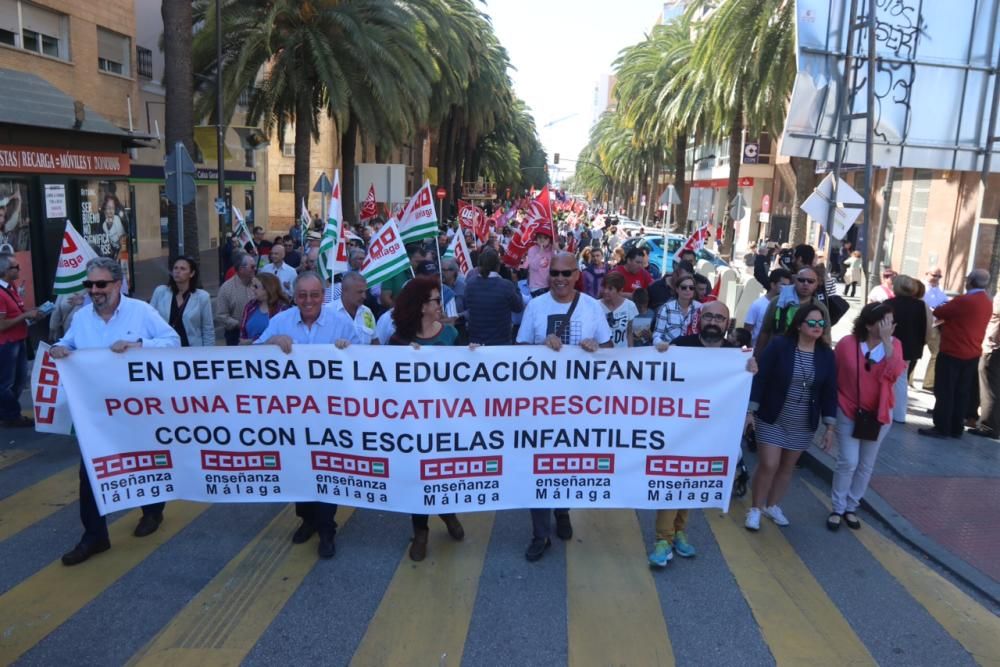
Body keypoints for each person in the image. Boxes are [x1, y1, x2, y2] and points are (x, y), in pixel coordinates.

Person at [50, 257, 181, 565]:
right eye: (89, 285)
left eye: (101, 284)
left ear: (118, 284)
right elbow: (65, 343)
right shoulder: (82, 318)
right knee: (91, 472)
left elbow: (172, 342)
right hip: (96, 415)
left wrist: (139, 346)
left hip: (137, 410)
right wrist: (59, 349)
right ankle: (94, 536)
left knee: (144, 462)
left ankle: (152, 511)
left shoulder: (141, 312)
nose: (94, 290)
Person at [516, 252, 612, 561]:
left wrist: (595, 349)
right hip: (539, 405)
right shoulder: (535, 306)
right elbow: (518, 351)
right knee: (538, 466)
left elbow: (609, 349)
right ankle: (540, 534)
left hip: (580, 405)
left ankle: (563, 510)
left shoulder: (592, 307)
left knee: (568, 463)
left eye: (565, 273)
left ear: (576, 274)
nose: (559, 278)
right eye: (554, 273)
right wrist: (541, 346)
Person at [256, 272, 358, 558]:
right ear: (294, 295)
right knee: (299, 470)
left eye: (314, 295)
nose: (308, 301)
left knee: (326, 470)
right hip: (292, 415)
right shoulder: (281, 321)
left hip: (330, 415)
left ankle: (327, 530)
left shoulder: (340, 322)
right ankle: (307, 519)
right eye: (302, 295)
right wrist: (272, 341)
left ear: (323, 296)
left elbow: (363, 359)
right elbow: (251, 357)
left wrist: (347, 350)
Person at [648, 301, 758, 566]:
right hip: (677, 429)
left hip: (711, 432)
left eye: (719, 318)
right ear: (699, 319)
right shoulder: (682, 345)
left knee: (692, 480)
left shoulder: (736, 355)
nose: (713, 322)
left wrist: (751, 370)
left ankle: (679, 531)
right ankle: (663, 538)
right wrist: (660, 353)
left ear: (727, 324)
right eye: (708, 316)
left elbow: (744, 391)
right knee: (672, 480)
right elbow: (658, 379)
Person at [386, 276, 467, 561]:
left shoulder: (452, 336)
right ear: (422, 307)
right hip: (412, 425)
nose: (440, 304)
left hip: (445, 423)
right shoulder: (398, 342)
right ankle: (420, 531)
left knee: (441, 475)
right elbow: (383, 383)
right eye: (435, 300)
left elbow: (466, 378)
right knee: (417, 477)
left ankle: (447, 513)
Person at [746, 303, 837, 531]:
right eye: (812, 322)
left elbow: (829, 391)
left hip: (803, 421)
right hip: (773, 415)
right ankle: (755, 509)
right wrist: (750, 411)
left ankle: (772, 505)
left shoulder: (826, 354)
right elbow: (761, 378)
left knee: (787, 467)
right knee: (769, 463)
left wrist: (829, 426)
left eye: (821, 323)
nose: (818, 327)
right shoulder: (780, 346)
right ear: (799, 325)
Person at [827, 302, 906, 530]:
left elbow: (894, 374)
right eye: (886, 321)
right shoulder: (846, 344)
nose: (891, 326)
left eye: (892, 322)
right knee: (848, 461)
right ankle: (837, 507)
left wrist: (888, 342)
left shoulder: (895, 345)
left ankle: (852, 505)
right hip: (848, 408)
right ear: (871, 323)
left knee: (865, 464)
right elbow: (835, 375)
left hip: (879, 414)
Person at [919, 269, 993, 439]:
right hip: (972, 352)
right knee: (962, 392)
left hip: (953, 351)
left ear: (970, 282)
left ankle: (942, 426)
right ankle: (956, 426)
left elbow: (938, 312)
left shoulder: (964, 300)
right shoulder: (987, 301)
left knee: (945, 390)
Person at [0, 253, 40, 427]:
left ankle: (8, 412)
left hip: (19, 340)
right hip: (7, 344)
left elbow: (17, 311)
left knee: (19, 380)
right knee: (6, 383)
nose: (19, 269)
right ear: (4, 271)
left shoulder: (11, 287)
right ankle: (11, 415)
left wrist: (32, 314)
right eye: (15, 267)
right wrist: (25, 315)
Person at [755, 266, 828, 356]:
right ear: (794, 281)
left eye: (810, 281)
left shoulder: (820, 307)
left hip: (806, 356)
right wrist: (757, 357)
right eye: (801, 280)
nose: (805, 284)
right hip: (776, 355)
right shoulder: (777, 302)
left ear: (816, 284)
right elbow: (764, 332)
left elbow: (826, 336)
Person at [885, 275, 927, 422]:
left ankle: (887, 409)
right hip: (910, 347)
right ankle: (899, 414)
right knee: (902, 379)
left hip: (890, 344)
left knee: (887, 378)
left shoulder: (889, 303)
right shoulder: (920, 305)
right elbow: (923, 328)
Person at [149, 256, 215, 347]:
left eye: (182, 269)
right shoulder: (160, 292)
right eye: (175, 268)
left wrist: (209, 354)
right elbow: (149, 321)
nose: (177, 271)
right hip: (164, 348)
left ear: (191, 273)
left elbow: (208, 329)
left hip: (191, 351)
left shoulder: (202, 297)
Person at [465, 247, 524, 345]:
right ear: (498, 266)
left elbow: (467, 305)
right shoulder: (506, 286)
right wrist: (515, 283)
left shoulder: (470, 284)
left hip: (476, 344)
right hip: (500, 344)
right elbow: (518, 307)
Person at [970, 290, 1000, 438]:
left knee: (989, 387)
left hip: (993, 348)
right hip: (994, 346)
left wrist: (993, 342)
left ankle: (988, 425)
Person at [215, 252, 257, 345]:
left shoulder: (259, 284)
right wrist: (240, 324)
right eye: (252, 267)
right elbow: (221, 315)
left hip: (257, 333)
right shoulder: (226, 288)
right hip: (236, 335)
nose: (255, 269)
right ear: (242, 269)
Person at [744, 268, 791, 347]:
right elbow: (747, 330)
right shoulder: (757, 305)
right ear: (773, 285)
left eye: (788, 286)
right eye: (783, 285)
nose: (786, 289)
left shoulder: (789, 305)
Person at [240, 272, 290, 343]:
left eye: (256, 286)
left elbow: (283, 335)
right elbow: (243, 333)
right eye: (251, 285)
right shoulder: (250, 306)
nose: (252, 288)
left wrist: (252, 341)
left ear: (268, 289)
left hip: (273, 352)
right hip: (249, 352)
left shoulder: (282, 309)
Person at [652, 275, 702, 345]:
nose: (688, 290)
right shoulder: (666, 308)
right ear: (677, 289)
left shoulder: (700, 308)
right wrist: (660, 344)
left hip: (692, 350)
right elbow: (657, 335)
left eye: (691, 288)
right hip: (670, 350)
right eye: (684, 287)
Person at [921, 268, 949, 391]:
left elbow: (945, 301)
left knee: (936, 353)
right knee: (915, 353)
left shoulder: (939, 289)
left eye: (939, 276)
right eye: (934, 275)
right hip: (922, 323)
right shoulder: (921, 287)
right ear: (926, 273)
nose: (937, 278)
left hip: (936, 325)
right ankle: (908, 379)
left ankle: (928, 383)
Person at [333, 271, 377, 344]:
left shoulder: (367, 312)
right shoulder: (328, 312)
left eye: (365, 292)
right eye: (359, 292)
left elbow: (374, 341)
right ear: (344, 291)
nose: (364, 296)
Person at [600, 272, 638, 348]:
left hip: (622, 355)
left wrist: (631, 352)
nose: (605, 291)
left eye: (610, 288)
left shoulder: (630, 306)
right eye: (604, 287)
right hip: (601, 354)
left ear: (620, 290)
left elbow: (629, 333)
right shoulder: (595, 306)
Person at [524, 231, 555, 297]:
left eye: (545, 238)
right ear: (536, 238)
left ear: (550, 239)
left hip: (549, 285)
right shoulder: (532, 250)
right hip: (536, 287)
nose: (542, 240)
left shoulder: (552, 250)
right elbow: (533, 267)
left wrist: (557, 249)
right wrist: (540, 253)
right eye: (540, 237)